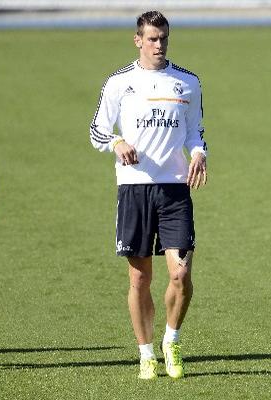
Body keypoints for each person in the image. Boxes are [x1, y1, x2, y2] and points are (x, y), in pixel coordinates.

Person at [89, 11, 207, 380]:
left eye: (164, 39)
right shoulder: (119, 83)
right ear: (138, 40)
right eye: (152, 39)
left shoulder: (187, 82)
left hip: (175, 190)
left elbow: (195, 132)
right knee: (139, 279)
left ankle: (171, 340)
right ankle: (145, 353)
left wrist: (200, 153)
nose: (159, 45)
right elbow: (97, 131)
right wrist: (117, 141)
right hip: (134, 189)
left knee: (181, 275)